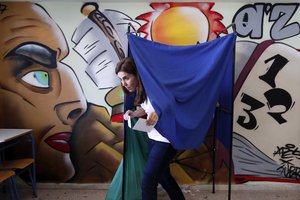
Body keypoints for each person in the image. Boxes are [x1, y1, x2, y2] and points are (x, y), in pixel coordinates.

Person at [115, 57, 185, 200]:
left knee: (148, 182)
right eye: (121, 80)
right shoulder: (143, 89)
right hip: (154, 139)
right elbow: (146, 109)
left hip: (164, 142)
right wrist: (134, 113)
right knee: (164, 178)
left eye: (126, 78)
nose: (124, 83)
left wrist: (132, 123)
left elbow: (152, 122)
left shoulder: (154, 92)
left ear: (136, 74)